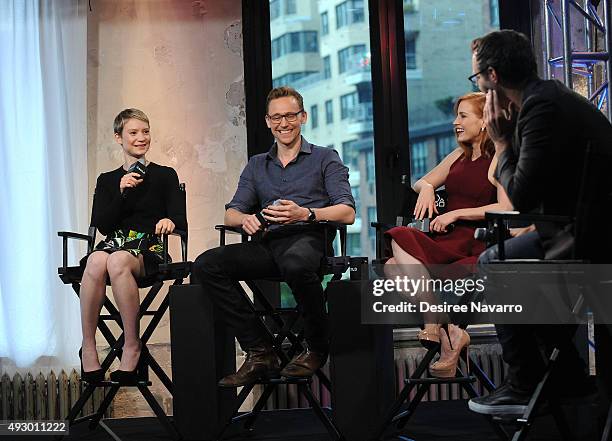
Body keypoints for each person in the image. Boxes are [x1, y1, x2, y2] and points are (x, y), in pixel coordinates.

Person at [467, 30, 612, 417]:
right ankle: (568, 382)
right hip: (579, 230)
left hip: (592, 239)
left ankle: (527, 382)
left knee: (495, 262)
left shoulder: (541, 107)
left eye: (475, 77)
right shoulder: (546, 98)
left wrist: (500, 144)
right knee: (514, 270)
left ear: (492, 76)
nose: (477, 85)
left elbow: (523, 197)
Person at [192, 86, 355, 388]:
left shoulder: (324, 158)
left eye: (291, 115)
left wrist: (306, 213)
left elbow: (347, 212)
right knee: (205, 265)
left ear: (303, 117)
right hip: (268, 244)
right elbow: (231, 214)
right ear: (268, 121)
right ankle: (260, 349)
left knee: (294, 263)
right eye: (277, 117)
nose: (284, 123)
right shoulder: (257, 164)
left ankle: (317, 346)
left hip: (307, 239)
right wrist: (247, 220)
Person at [384, 92, 512, 378]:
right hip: (447, 241)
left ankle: (439, 327)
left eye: (463, 116)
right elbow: (422, 182)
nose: (456, 122)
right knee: (393, 258)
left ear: (484, 122)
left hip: (475, 243)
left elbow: (506, 207)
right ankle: (447, 331)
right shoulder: (458, 155)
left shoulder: (499, 156)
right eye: (456, 115)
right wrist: (428, 187)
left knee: (396, 263)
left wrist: (456, 213)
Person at [79, 109, 186, 384]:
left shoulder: (165, 175)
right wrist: (121, 191)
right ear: (119, 137)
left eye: (145, 132)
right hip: (116, 240)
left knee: (116, 261)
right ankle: (88, 347)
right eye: (134, 132)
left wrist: (168, 220)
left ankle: (132, 345)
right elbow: (102, 225)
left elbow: (179, 219)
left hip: (150, 245)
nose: (141, 138)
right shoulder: (107, 180)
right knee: (95, 260)